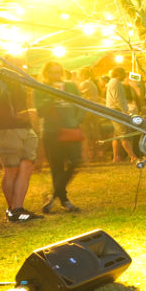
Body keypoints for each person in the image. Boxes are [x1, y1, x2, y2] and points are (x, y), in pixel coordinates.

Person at [37, 61, 84, 214]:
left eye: (58, 72)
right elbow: (40, 111)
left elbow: (81, 104)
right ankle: (64, 200)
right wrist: (51, 95)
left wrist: (76, 120)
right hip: (51, 131)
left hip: (70, 129)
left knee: (75, 161)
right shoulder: (40, 88)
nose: (56, 75)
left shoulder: (70, 86)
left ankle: (52, 195)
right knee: (56, 166)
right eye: (52, 72)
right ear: (46, 73)